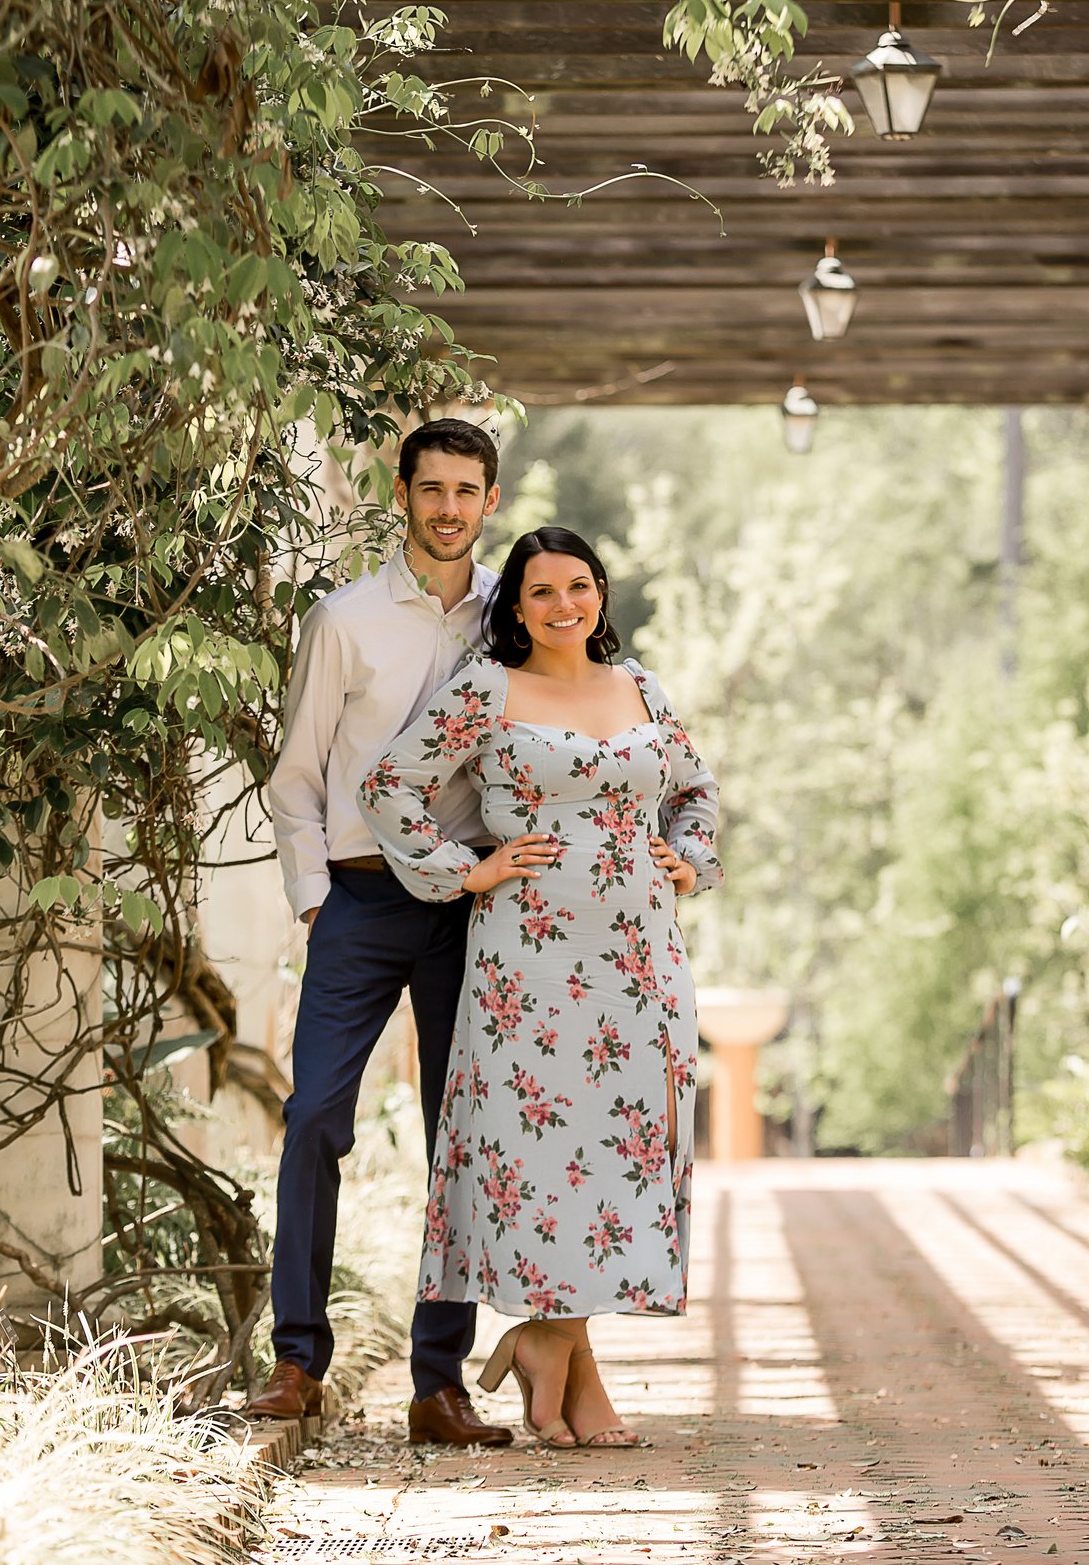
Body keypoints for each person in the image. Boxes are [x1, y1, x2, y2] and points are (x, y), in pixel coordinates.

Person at [359, 525, 721, 1448]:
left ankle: (547, 1344)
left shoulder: (640, 686)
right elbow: (389, 785)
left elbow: (697, 791)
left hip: (641, 962)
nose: (566, 606)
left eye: (581, 586)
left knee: (623, 1149)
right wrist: (464, 871)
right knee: (549, 1154)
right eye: (543, 592)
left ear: (601, 592)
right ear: (513, 609)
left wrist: (687, 862)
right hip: (531, 961)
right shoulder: (487, 688)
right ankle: (560, 1359)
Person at [253, 419, 516, 1447]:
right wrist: (317, 897)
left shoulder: (514, 615)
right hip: (359, 904)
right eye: (432, 487)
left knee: (462, 1138)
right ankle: (295, 1359)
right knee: (315, 1113)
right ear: (400, 492)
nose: (448, 506)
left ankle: (437, 1382)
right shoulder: (344, 619)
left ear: (490, 499)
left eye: (467, 489)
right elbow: (296, 777)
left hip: (476, 914)